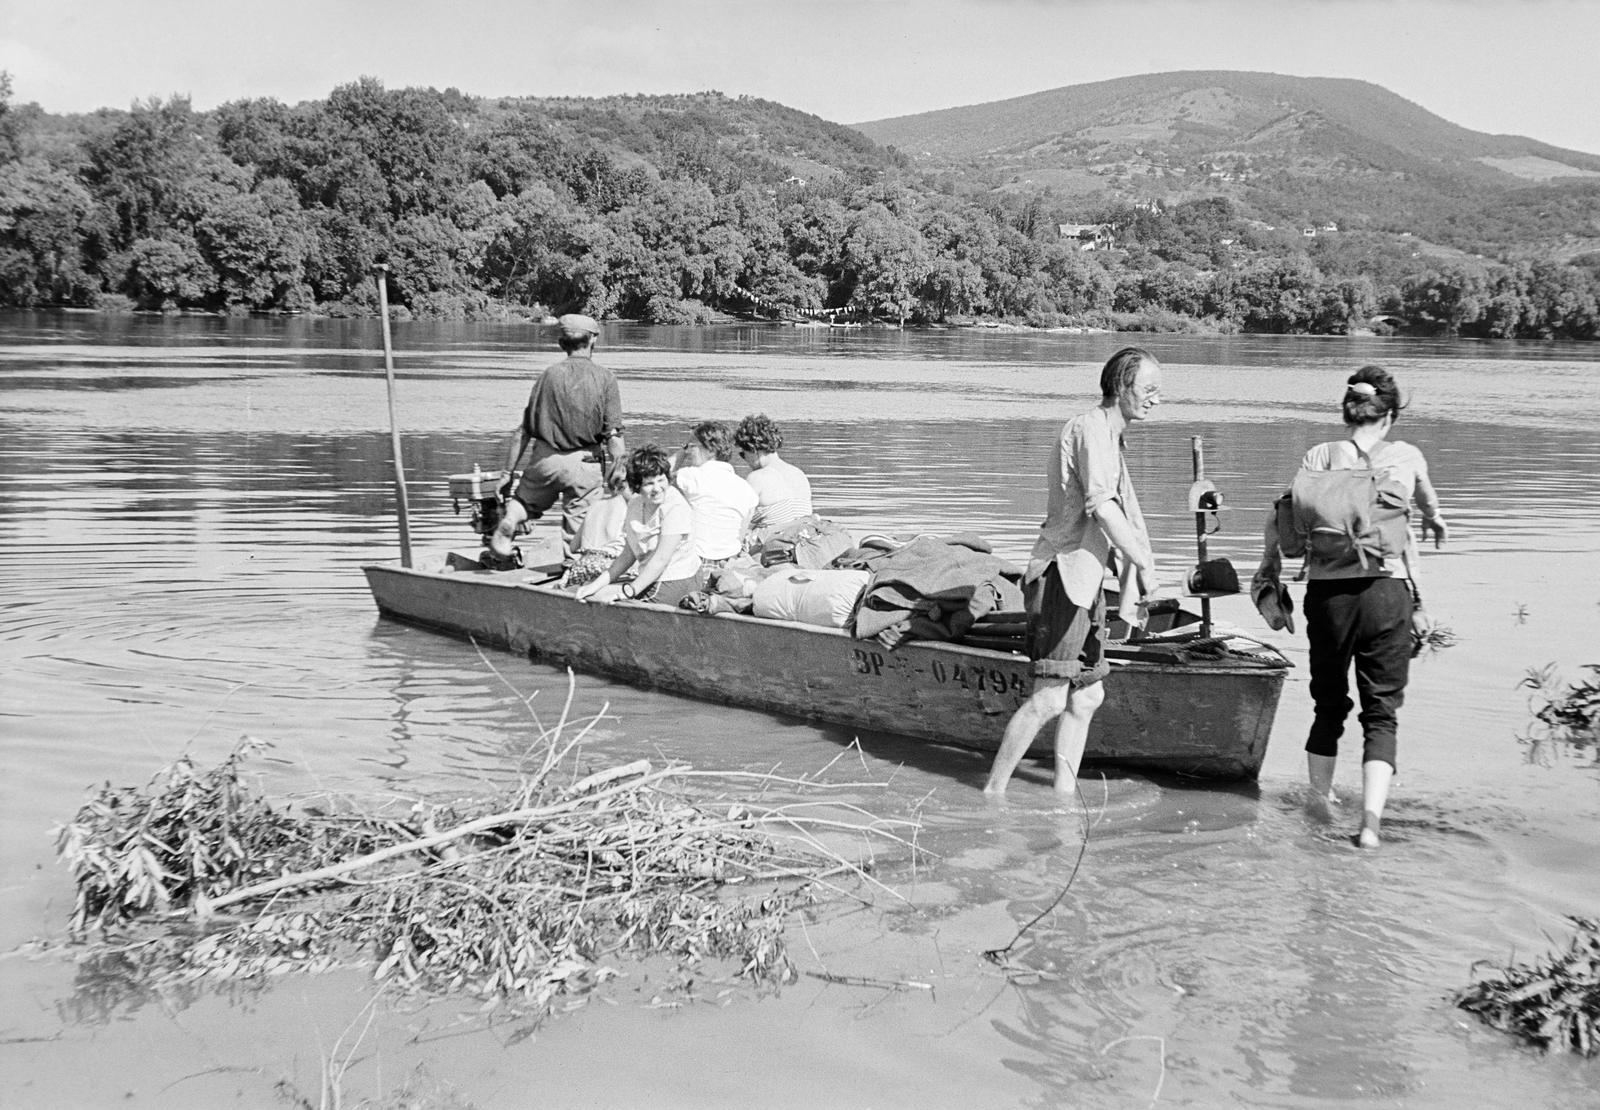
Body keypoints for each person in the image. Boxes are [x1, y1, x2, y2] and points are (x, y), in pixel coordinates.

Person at [1253, 365, 1447, 849]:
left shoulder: (1318, 456)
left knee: (1328, 705)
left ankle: (1318, 806)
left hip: (1329, 597)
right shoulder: (1405, 456)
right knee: (1380, 714)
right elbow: (1426, 504)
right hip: (1386, 595)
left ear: (1347, 410)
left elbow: (1290, 527)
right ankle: (1370, 827)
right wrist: (1435, 518)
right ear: (1391, 413)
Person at [984, 348, 1164, 796]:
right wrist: (1142, 561)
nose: (1155, 400)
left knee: (1087, 695)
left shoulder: (1111, 438)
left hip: (1087, 580)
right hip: (1063, 576)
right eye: (1149, 390)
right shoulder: (1089, 429)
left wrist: (1133, 570)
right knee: (1048, 698)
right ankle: (993, 794)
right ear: (1122, 386)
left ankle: (1064, 798)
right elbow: (1102, 506)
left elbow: (1121, 515)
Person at [489, 314, 625, 565]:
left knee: (523, 503)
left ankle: (510, 521)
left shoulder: (548, 376)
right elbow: (613, 435)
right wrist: (621, 468)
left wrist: (507, 474)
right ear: (593, 340)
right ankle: (573, 570)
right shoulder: (606, 378)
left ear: (562, 343)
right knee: (582, 529)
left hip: (546, 459)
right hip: (585, 464)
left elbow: (523, 431)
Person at [575, 445, 703, 607]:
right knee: (590, 594)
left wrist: (629, 591)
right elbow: (628, 554)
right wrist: (594, 586)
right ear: (637, 486)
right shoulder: (635, 504)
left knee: (613, 604)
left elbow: (661, 559)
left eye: (661, 480)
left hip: (677, 578)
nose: (657, 489)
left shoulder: (675, 506)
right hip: (650, 577)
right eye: (649, 484)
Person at [674, 420, 758, 569]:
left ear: (711, 450)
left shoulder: (692, 476)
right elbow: (739, 536)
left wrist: (682, 449)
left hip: (696, 562)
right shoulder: (747, 489)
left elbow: (656, 476)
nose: (687, 452)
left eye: (691, 446)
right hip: (728, 564)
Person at [734, 414, 813, 542]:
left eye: (743, 454)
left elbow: (738, 524)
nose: (745, 460)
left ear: (754, 450)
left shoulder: (756, 478)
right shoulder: (799, 474)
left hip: (775, 548)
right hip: (803, 543)